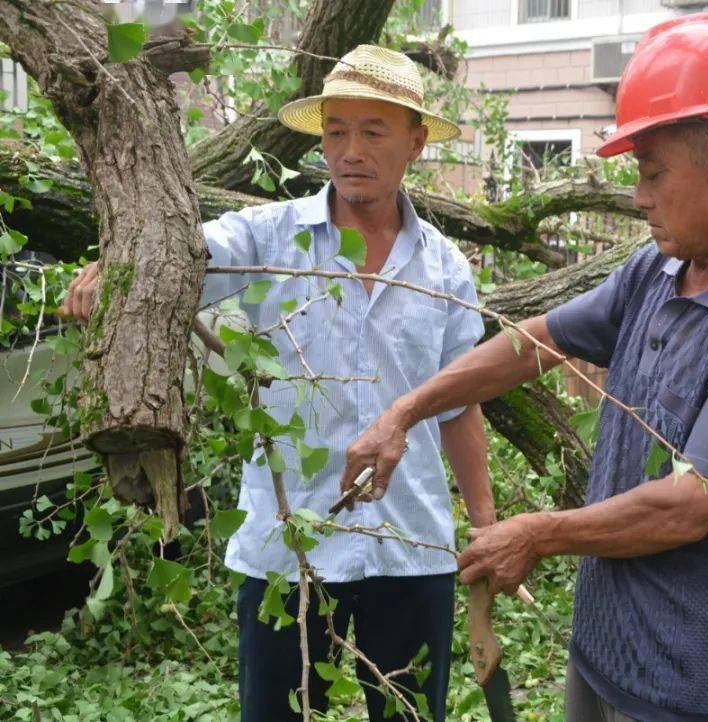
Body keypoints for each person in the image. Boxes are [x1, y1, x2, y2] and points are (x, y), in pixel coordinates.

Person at [340, 14, 708, 722]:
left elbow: (689, 506)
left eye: (652, 173)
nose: (638, 197)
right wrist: (406, 412)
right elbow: (533, 341)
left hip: (697, 685)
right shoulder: (657, 270)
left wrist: (537, 532)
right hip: (605, 649)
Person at [59, 45, 490, 722]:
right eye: (336, 130)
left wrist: (487, 531)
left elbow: (461, 407)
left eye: (373, 131)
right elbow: (179, 255)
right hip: (286, 553)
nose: (350, 150)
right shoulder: (267, 239)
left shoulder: (445, 270)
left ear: (414, 141)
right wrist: (116, 272)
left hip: (412, 548)